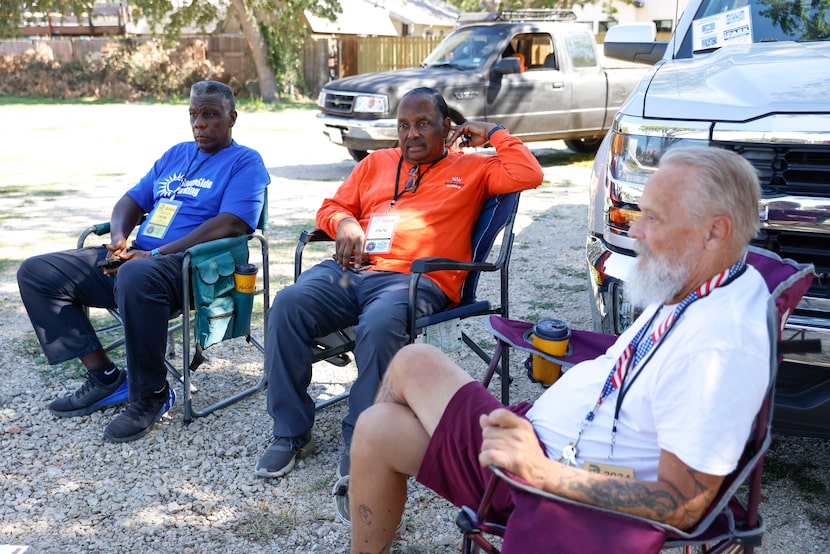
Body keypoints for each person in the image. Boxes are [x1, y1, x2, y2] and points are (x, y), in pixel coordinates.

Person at [348, 146, 770, 552]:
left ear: (716, 231)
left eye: (654, 218)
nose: (635, 230)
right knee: (411, 363)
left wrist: (542, 473)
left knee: (376, 429)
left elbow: (683, 504)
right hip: (537, 436)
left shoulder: (718, 350)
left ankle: (377, 493)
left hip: (535, 481)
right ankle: (381, 492)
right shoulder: (707, 278)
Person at [255, 87, 544, 480]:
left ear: (447, 127)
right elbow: (331, 206)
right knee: (288, 303)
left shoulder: (474, 169)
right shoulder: (376, 163)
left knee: (379, 323)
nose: (411, 135)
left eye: (423, 124)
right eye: (404, 125)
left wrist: (493, 132)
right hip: (354, 271)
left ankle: (363, 438)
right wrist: (345, 223)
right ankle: (289, 431)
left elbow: (528, 173)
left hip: (418, 279)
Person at [17, 80, 270, 443]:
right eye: (194, 115)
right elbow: (131, 201)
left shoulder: (245, 162)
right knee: (37, 273)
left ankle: (150, 395)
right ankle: (105, 378)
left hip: (192, 269)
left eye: (211, 115)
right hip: (137, 262)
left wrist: (153, 254)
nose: (200, 124)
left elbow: (232, 223)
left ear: (232, 118)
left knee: (136, 273)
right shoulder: (175, 154)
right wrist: (119, 240)